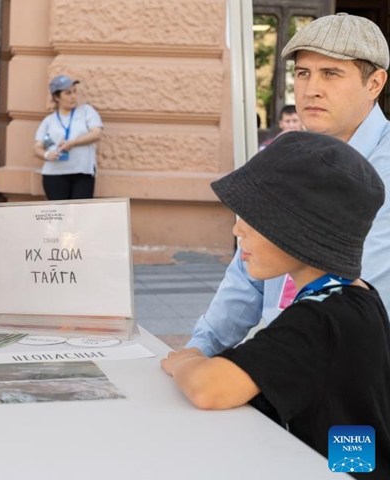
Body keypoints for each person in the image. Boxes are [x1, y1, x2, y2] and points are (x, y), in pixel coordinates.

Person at [163, 132, 390, 478]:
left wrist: (187, 361)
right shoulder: (358, 297)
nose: (238, 229)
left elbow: (210, 388)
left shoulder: (318, 319)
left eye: (254, 218)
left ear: (301, 231)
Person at [187, 13, 390, 356]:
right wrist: (200, 348)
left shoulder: (383, 170)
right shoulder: (294, 154)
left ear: (374, 83)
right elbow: (246, 270)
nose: (312, 89)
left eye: (331, 73)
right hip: (285, 361)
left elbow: (353, 290)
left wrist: (254, 372)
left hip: (351, 377)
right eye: (302, 73)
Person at [33, 75, 103, 200]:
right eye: (68, 93)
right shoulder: (49, 121)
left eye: (74, 92)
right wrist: (47, 155)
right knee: (60, 216)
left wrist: (74, 143)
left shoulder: (86, 111)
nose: (73, 96)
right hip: (54, 174)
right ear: (56, 97)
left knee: (80, 214)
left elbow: (97, 133)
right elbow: (37, 147)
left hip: (82, 172)